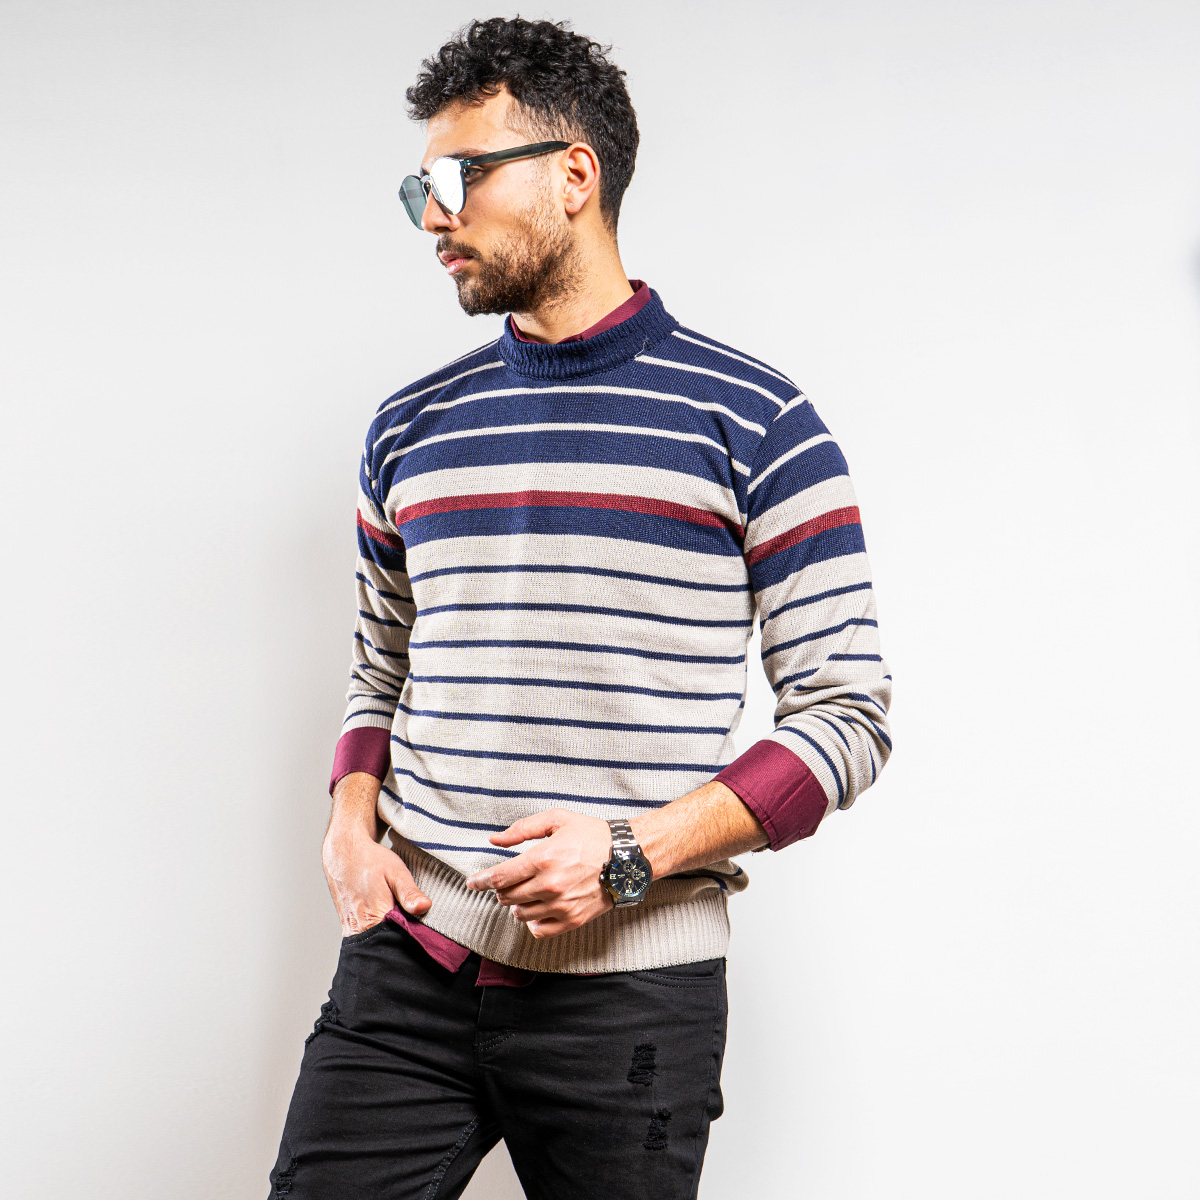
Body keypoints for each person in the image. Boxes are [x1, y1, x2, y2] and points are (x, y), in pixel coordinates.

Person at [268, 16, 892, 1199]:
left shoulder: (758, 423)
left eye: (458, 178)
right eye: (417, 188)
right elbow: (379, 663)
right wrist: (350, 823)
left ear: (574, 175)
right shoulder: (408, 428)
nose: (432, 217)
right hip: (409, 964)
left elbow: (847, 717)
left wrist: (632, 853)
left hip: (632, 994)